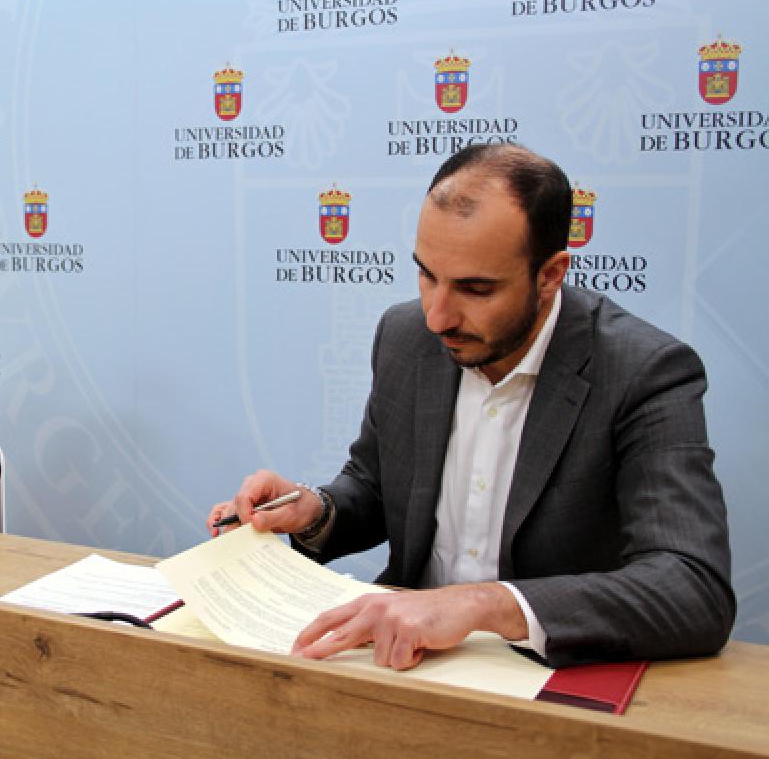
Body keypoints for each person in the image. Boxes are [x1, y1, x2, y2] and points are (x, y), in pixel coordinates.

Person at [208, 144, 735, 669]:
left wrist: (483, 603)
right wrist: (312, 511)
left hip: (546, 683)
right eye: (427, 275)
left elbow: (693, 588)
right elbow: (375, 488)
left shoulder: (644, 370)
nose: (438, 317)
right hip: (401, 666)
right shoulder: (405, 336)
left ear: (550, 274)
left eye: (475, 289)